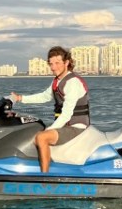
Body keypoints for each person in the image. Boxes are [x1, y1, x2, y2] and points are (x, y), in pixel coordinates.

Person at [8, 45, 91, 174]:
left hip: (77, 127)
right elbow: (44, 96)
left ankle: (44, 178)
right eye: (51, 64)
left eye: (57, 63)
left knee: (42, 137)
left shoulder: (72, 82)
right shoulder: (57, 81)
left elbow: (67, 114)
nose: (53, 67)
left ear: (66, 63)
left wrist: (50, 129)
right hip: (66, 125)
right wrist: (20, 98)